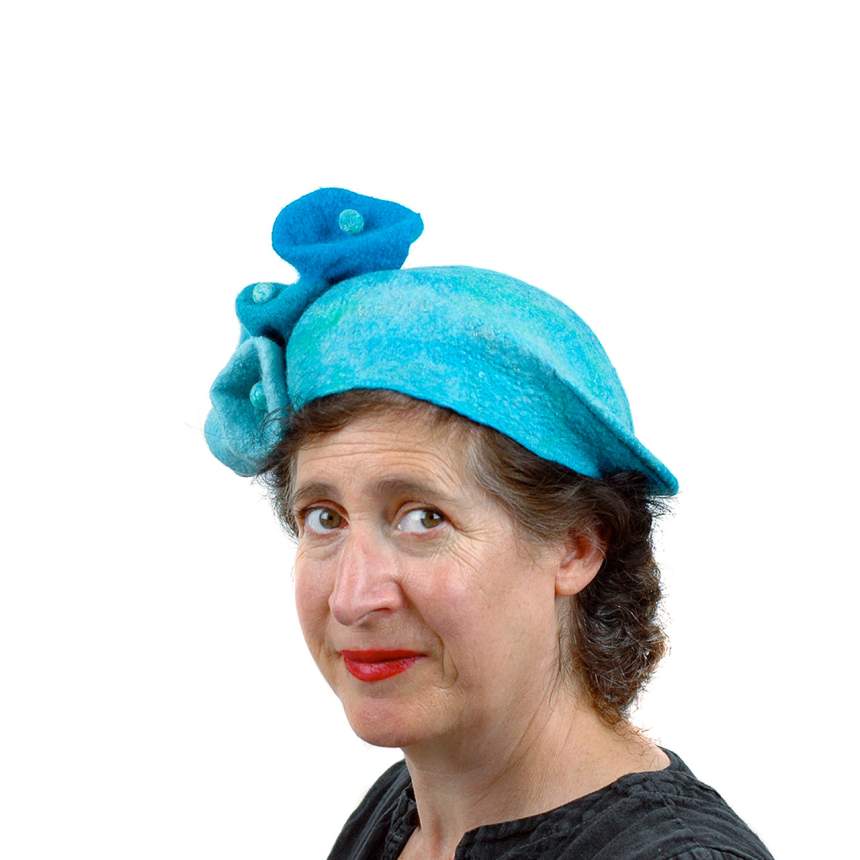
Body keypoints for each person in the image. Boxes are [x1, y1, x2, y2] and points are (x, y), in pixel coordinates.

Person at [204, 187, 774, 859]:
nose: (353, 599)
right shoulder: (402, 811)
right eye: (324, 517)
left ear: (576, 545)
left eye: (423, 518)